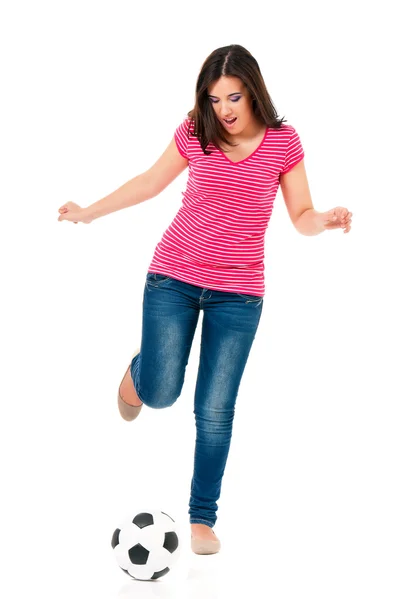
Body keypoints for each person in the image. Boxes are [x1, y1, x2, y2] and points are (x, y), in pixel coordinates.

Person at [58, 44, 352, 555]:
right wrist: (89, 212)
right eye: (215, 100)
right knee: (162, 392)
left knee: (215, 409)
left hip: (238, 296)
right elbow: (150, 183)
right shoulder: (197, 130)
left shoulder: (284, 142)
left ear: (254, 90)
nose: (226, 111)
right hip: (173, 277)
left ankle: (202, 519)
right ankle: (139, 372)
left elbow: (301, 214)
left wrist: (324, 220)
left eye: (234, 97)